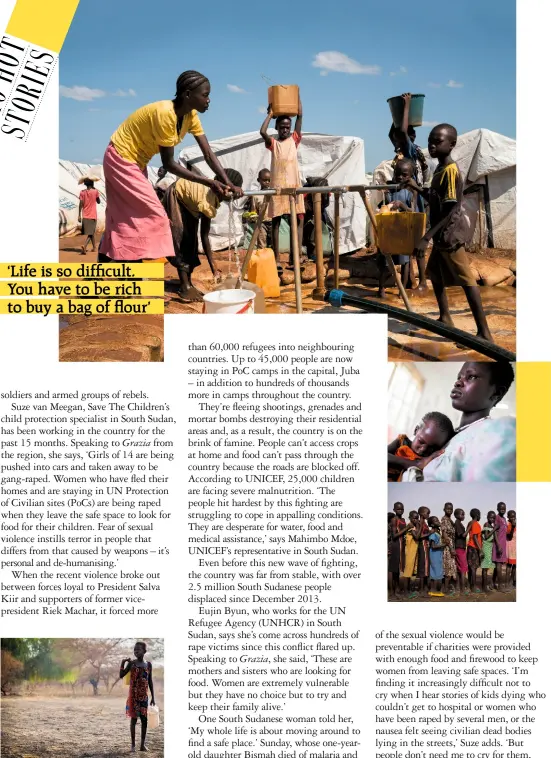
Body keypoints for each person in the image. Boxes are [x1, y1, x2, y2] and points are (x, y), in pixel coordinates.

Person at [100, 70, 242, 263]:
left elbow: (208, 154)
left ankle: (107, 268)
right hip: (120, 158)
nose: (209, 100)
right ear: (188, 95)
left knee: (125, 216)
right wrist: (209, 182)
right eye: (205, 95)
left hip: (136, 162)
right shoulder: (166, 114)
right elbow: (169, 164)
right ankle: (132, 266)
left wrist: (228, 183)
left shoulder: (190, 115)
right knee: (154, 215)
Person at [408, 123, 493, 341]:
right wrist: (416, 188)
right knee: (435, 274)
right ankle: (445, 316)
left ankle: (485, 333)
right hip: (441, 236)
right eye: (430, 141)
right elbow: (435, 199)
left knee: (467, 282)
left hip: (450, 236)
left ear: (452, 144)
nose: (432, 145)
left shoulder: (451, 171)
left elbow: (450, 209)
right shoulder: (439, 169)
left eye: (438, 141)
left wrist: (426, 237)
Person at [406, 362, 516, 483]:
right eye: (459, 377)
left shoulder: (501, 432)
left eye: (471, 377)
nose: (458, 382)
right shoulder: (445, 436)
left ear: (497, 393)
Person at [162, 168, 243, 301]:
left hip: (189, 203)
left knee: (192, 242)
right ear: (224, 189)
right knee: (183, 240)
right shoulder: (208, 200)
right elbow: (204, 235)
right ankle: (185, 287)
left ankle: (187, 282)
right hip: (176, 196)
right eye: (232, 192)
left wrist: (214, 268)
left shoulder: (213, 195)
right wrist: (213, 267)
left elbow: (203, 235)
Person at [260, 97, 304, 268]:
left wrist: (297, 99)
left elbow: (300, 117)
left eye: (288, 127)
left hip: (293, 187)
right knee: (276, 222)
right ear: (277, 128)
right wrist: (270, 115)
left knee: (296, 221)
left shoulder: (294, 140)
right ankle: (277, 259)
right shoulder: (273, 143)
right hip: (277, 186)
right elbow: (262, 132)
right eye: (282, 127)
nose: (285, 129)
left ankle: (295, 257)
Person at [376, 158, 428, 296]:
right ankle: (381, 289)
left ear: (411, 176)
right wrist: (387, 201)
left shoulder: (412, 191)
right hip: (389, 231)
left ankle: (402, 290)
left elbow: (414, 212)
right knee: (385, 262)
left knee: (405, 262)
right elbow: (381, 207)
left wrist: (402, 206)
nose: (400, 177)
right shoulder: (390, 188)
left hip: (403, 233)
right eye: (397, 173)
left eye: (404, 175)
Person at [388, 94, 429, 212]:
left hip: (409, 189)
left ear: (412, 136)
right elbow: (392, 134)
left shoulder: (410, 149)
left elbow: (402, 131)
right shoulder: (401, 149)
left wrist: (406, 106)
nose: (395, 139)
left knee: (413, 215)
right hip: (403, 189)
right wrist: (396, 115)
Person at [387, 410, 455, 482]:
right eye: (421, 441)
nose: (423, 449)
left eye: (432, 448)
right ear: (416, 430)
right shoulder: (401, 441)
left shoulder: (429, 459)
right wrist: (416, 464)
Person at [120, 642, 155, 753]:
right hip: (134, 696)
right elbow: (121, 675)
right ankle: (133, 746)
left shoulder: (148, 665)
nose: (136, 652)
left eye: (138, 650)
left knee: (144, 721)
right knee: (134, 720)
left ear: (144, 651)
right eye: (134, 650)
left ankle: (142, 745)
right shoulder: (132, 664)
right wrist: (123, 663)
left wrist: (153, 697)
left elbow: (150, 681)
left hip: (144, 697)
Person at [244, 169, 272, 249]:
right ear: (258, 180)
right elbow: (254, 210)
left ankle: (272, 259)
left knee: (273, 243)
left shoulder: (273, 194)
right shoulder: (256, 195)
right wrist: (252, 216)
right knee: (262, 244)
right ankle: (263, 259)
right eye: (264, 180)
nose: (267, 182)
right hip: (261, 223)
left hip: (273, 221)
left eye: (269, 180)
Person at [388, 502, 409, 598]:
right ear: (394, 510)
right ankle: (392, 592)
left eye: (402, 509)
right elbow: (394, 536)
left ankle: (397, 589)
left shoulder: (403, 520)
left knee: (399, 570)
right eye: (398, 509)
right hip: (396, 546)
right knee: (393, 570)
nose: (400, 510)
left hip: (402, 547)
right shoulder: (394, 520)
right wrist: (407, 528)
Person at [78, 179, 100, 254]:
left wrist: (79, 215)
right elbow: (98, 201)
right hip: (93, 215)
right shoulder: (95, 191)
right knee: (91, 233)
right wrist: (96, 195)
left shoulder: (82, 192)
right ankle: (85, 246)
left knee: (91, 232)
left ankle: (94, 247)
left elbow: (80, 204)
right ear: (92, 183)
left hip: (85, 215)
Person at [402, 510, 419, 598]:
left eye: (417, 518)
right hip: (409, 552)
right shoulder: (410, 527)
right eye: (414, 518)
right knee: (407, 572)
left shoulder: (414, 527)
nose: (416, 520)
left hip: (413, 552)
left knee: (409, 573)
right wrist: (419, 525)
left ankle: (408, 590)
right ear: (410, 518)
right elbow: (417, 537)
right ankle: (405, 592)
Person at [440, 502, 457, 594]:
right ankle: (445, 589)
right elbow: (445, 535)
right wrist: (451, 548)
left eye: (451, 509)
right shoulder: (444, 520)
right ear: (444, 509)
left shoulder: (450, 520)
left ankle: (445, 587)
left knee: (450, 568)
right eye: (448, 509)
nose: (449, 510)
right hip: (447, 547)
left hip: (451, 545)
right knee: (448, 568)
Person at [492, 502, 509, 592]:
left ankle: (493, 582)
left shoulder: (504, 519)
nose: (503, 510)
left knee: (498, 565)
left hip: (503, 544)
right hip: (498, 545)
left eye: (504, 508)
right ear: (497, 509)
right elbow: (494, 531)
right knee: (498, 565)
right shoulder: (497, 518)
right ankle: (500, 586)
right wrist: (498, 545)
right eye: (501, 508)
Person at [466, 508, 482, 593]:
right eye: (479, 514)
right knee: (473, 568)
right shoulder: (475, 524)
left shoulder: (470, 523)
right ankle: (474, 587)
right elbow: (475, 537)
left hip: (470, 548)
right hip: (474, 548)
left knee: (470, 567)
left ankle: (469, 585)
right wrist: (480, 550)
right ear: (477, 515)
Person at [415, 506, 431, 596]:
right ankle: (421, 590)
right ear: (421, 514)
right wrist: (430, 533)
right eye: (427, 513)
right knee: (422, 568)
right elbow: (418, 536)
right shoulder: (419, 523)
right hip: (422, 546)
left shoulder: (424, 523)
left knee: (425, 567)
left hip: (426, 546)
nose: (428, 515)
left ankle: (424, 587)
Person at [427, 516, 445, 597]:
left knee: (436, 573)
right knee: (435, 573)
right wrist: (444, 545)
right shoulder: (433, 534)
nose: (438, 521)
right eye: (436, 521)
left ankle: (433, 590)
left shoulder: (437, 532)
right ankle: (433, 590)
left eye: (438, 520)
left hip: (437, 555)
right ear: (432, 524)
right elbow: (433, 546)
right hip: (434, 556)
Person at [481, 510, 497, 592]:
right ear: (487, 517)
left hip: (490, 548)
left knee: (488, 567)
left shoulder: (491, 526)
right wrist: (494, 529)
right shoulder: (486, 524)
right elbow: (486, 536)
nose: (492, 519)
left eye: (494, 518)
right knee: (485, 567)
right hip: (486, 548)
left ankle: (487, 585)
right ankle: (484, 587)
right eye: (490, 517)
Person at [454, 508, 468, 594]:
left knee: (460, 569)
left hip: (460, 547)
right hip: (459, 548)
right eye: (461, 514)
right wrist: (469, 527)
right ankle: (463, 589)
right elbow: (462, 535)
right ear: (456, 515)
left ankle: (459, 587)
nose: (463, 516)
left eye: (464, 514)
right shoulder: (457, 523)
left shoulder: (458, 523)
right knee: (463, 569)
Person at [506, 510, 516, 589]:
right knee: (509, 565)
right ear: (508, 517)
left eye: (514, 516)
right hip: (510, 548)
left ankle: (512, 581)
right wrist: (512, 527)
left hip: (516, 548)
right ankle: (507, 582)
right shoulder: (508, 525)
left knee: (515, 566)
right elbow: (509, 537)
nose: (513, 518)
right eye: (511, 516)